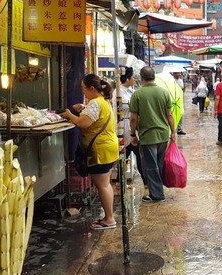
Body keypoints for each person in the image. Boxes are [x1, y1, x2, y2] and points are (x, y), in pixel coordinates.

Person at [62, 74, 118, 230]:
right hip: (107, 147)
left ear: (92, 89)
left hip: (100, 149)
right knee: (105, 184)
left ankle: (109, 219)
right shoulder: (102, 102)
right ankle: (109, 217)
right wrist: (83, 108)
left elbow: (83, 123)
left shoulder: (95, 103)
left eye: (84, 89)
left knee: (103, 185)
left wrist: (69, 115)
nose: (83, 92)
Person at [129, 66, 176, 203]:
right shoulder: (164, 92)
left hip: (147, 135)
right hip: (162, 135)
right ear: (154, 77)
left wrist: (133, 134)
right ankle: (157, 190)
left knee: (150, 166)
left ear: (141, 78)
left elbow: (133, 118)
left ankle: (157, 194)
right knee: (158, 164)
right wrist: (173, 132)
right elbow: (170, 115)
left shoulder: (137, 94)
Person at [120, 67, 147, 186]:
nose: (134, 79)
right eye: (132, 77)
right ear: (127, 79)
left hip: (132, 128)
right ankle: (120, 181)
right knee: (124, 155)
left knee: (138, 155)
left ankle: (146, 182)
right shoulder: (119, 92)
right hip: (124, 127)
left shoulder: (131, 90)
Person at [171, 70, 186, 135]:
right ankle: (172, 129)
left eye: (180, 73)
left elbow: (182, 90)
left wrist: (184, 88)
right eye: (178, 73)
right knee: (172, 114)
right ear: (174, 73)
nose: (179, 74)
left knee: (180, 114)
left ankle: (179, 129)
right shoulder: (171, 80)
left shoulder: (181, 81)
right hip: (172, 99)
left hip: (179, 99)